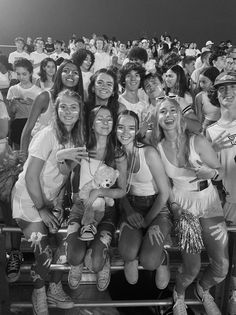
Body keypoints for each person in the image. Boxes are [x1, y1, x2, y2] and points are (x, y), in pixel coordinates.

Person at [11, 89, 85, 314]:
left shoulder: (76, 137)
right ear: (56, 109)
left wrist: (60, 201)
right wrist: (42, 209)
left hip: (51, 201)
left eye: (74, 107)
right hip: (29, 200)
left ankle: (54, 286)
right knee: (41, 250)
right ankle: (39, 290)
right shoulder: (47, 134)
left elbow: (65, 174)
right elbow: (31, 176)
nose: (68, 111)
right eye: (64, 106)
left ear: (80, 111)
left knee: (65, 247)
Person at [155, 97, 228, 315]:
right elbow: (164, 185)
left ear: (180, 115)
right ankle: (178, 295)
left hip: (209, 202)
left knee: (222, 266)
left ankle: (202, 289)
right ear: (157, 119)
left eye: (172, 111)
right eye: (162, 112)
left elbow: (221, 171)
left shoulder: (197, 141)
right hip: (182, 205)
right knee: (192, 267)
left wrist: (212, 173)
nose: (168, 116)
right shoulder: (156, 148)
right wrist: (174, 207)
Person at [65, 106, 127, 292]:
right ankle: (77, 261)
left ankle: (103, 257)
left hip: (106, 210)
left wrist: (100, 192)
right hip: (81, 206)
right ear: (91, 124)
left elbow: (123, 190)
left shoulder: (118, 153)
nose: (106, 122)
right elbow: (66, 172)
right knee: (74, 257)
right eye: (100, 119)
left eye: (109, 118)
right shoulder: (82, 147)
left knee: (96, 263)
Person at [116, 110, 171, 289]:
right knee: (127, 253)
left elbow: (165, 193)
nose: (125, 132)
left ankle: (162, 259)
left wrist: (147, 221)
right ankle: (133, 254)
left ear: (138, 129)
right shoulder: (115, 154)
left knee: (149, 262)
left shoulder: (148, 153)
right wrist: (130, 211)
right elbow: (119, 190)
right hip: (131, 204)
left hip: (156, 206)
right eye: (121, 127)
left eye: (131, 128)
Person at [206, 72, 236, 315]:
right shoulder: (209, 132)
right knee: (220, 268)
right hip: (221, 209)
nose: (228, 93)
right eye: (222, 89)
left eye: (233, 87)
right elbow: (199, 174)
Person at [20, 59, 83, 155]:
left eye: (75, 72)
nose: (70, 74)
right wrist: (23, 156)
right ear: (58, 74)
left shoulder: (80, 102)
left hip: (64, 153)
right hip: (40, 151)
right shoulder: (45, 97)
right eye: (65, 71)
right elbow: (28, 128)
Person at [6, 58, 41, 149]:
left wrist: (32, 103)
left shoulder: (38, 91)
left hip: (33, 126)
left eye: (24, 74)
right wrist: (13, 105)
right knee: (17, 154)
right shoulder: (13, 89)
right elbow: (11, 113)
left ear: (30, 73)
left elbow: (43, 113)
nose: (21, 77)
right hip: (17, 126)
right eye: (18, 74)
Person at [164, 64, 201, 132]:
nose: (167, 79)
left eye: (170, 76)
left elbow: (191, 120)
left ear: (179, 77)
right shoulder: (163, 94)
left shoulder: (186, 97)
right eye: (166, 76)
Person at [195, 67, 221, 134]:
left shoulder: (223, 95)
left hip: (222, 129)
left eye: (204, 82)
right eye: (200, 82)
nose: (201, 85)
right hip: (206, 130)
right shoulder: (199, 97)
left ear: (213, 81)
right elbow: (199, 118)